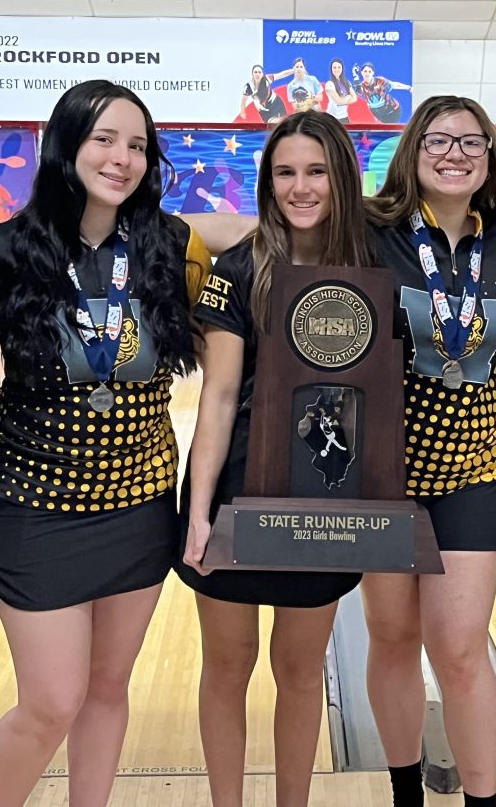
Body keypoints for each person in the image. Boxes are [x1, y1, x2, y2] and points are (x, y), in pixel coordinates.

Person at [0, 80, 211, 807]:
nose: (122, 157)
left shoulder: (170, 244)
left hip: (138, 502)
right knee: (51, 701)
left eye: (137, 145)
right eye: (105, 139)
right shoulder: (6, 250)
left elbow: (257, 230)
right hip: (34, 504)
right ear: (67, 144)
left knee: (108, 689)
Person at [178, 110, 373, 807]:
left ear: (342, 178)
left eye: (316, 170)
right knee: (228, 667)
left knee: (300, 668)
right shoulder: (239, 269)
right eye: (285, 172)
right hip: (238, 489)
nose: (300, 186)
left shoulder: (369, 265)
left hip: (325, 490)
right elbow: (221, 396)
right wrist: (198, 515)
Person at [364, 95, 496, 807]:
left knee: (460, 647)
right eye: (439, 140)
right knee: (393, 638)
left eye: (472, 142)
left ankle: (482, 802)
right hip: (383, 469)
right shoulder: (373, 234)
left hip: (477, 467)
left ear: (489, 158)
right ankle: (406, 795)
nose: (455, 153)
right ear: (412, 150)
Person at [324, 57, 358, 123]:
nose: (337, 69)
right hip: (331, 118)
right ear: (331, 69)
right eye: (334, 67)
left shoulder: (347, 82)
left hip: (344, 117)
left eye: (339, 67)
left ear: (342, 68)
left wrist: (342, 100)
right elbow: (338, 101)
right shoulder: (329, 84)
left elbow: (354, 98)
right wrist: (348, 96)